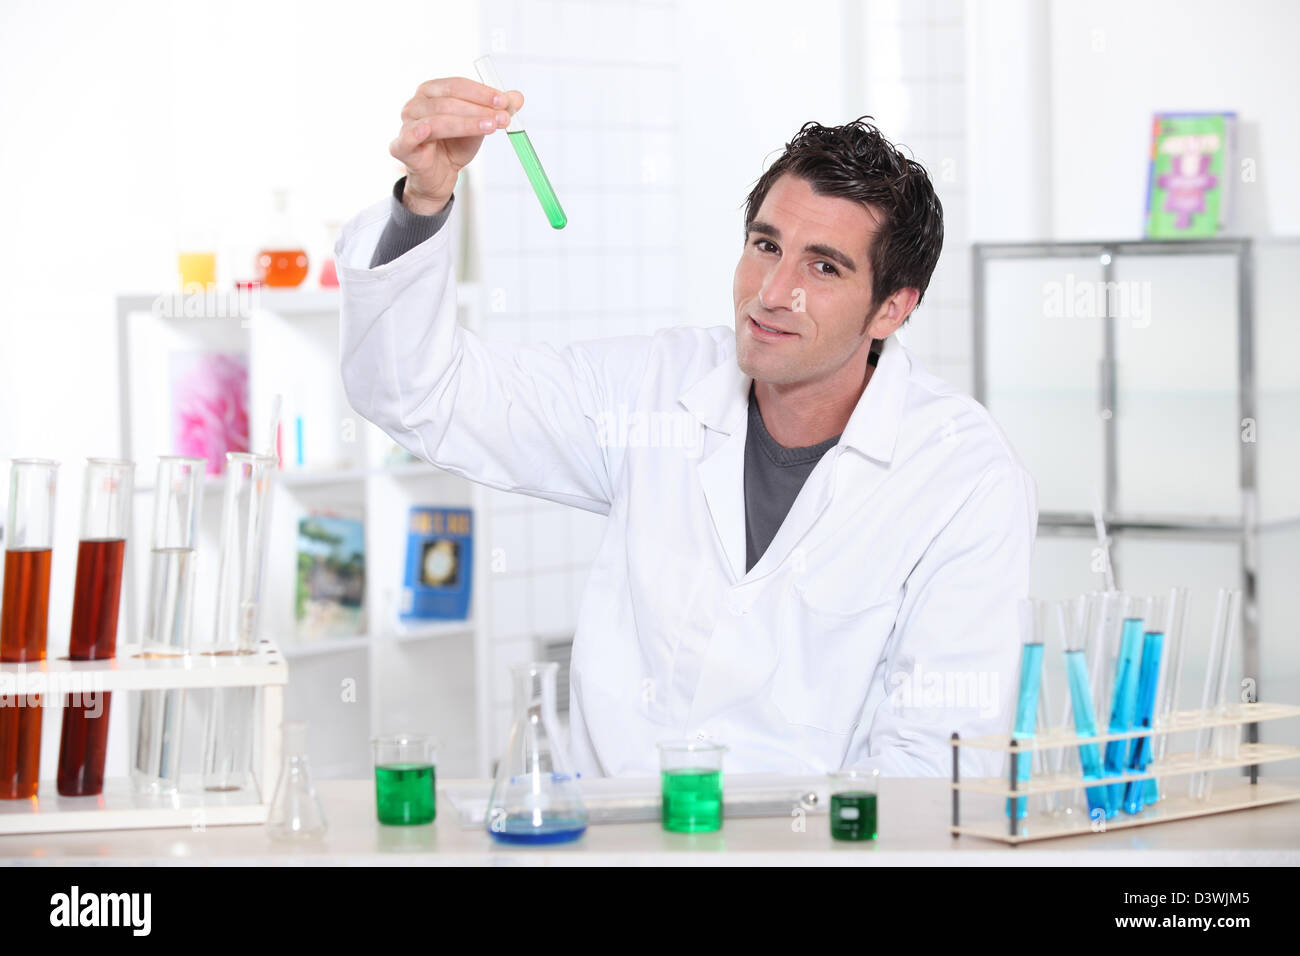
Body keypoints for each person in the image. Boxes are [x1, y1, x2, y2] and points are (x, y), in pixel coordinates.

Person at [337, 76, 1038, 778]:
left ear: (892, 308)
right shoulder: (657, 390)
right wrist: (424, 201)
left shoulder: (962, 477)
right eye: (766, 246)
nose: (772, 294)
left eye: (822, 266)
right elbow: (424, 394)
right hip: (618, 845)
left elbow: (936, 765)